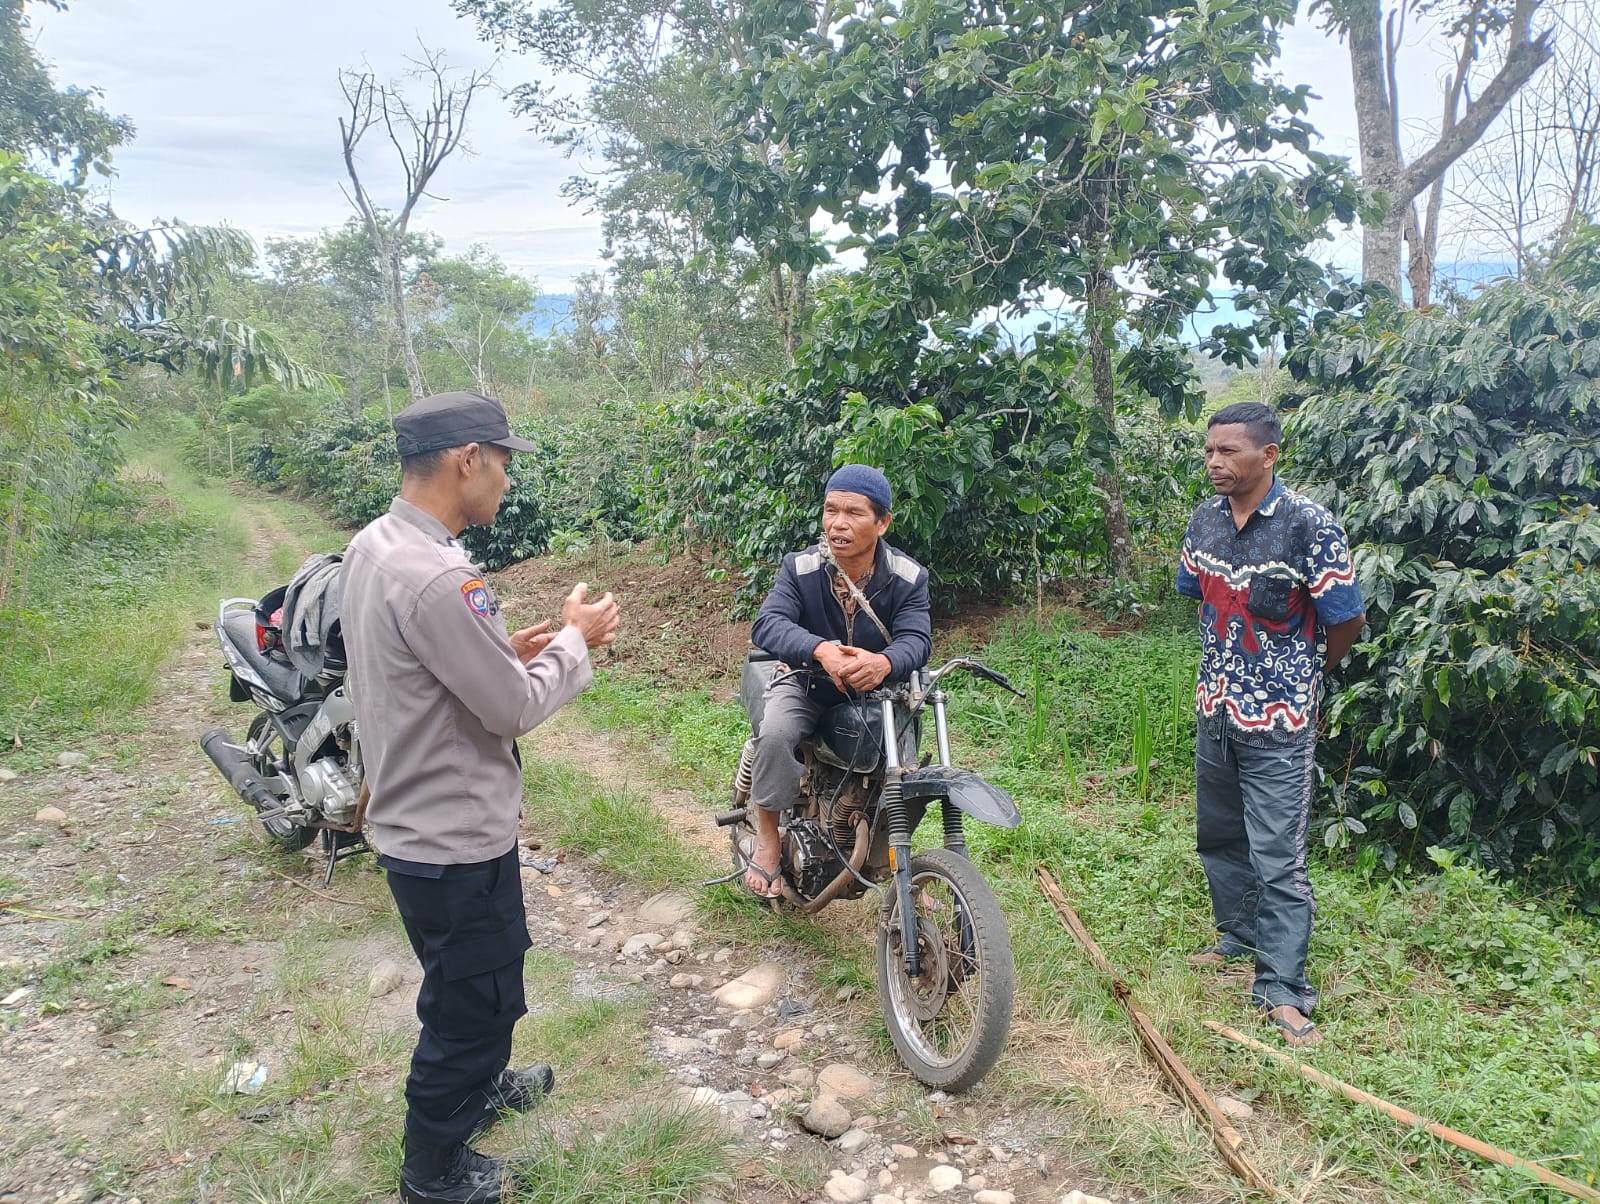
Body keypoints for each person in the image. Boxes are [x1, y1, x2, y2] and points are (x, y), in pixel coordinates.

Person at [339, 391, 619, 1204]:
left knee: (484, 979)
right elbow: (513, 707)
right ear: (468, 460)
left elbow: (425, 669)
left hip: (416, 819)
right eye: (502, 464)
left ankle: (482, 1091)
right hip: (451, 834)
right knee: (469, 1007)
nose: (506, 481)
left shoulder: (377, 545)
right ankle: (432, 1173)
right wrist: (575, 639)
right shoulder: (439, 576)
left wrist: (507, 648)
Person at [1176, 402, 1366, 1049]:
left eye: (1229, 451)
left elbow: (1347, 618)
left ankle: (1282, 987)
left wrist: (1303, 677)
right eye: (1210, 450)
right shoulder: (1204, 520)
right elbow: (1197, 597)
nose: (1214, 461)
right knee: (1219, 835)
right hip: (1215, 710)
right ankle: (1237, 935)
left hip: (1280, 721)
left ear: (1269, 455)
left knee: (1278, 858)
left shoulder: (1309, 525)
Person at [743, 465, 932, 897]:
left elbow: (917, 639)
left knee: (900, 767)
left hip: (877, 693)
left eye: (853, 513)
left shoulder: (908, 577)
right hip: (807, 682)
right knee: (776, 735)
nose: (838, 523)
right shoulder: (801, 567)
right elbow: (768, 623)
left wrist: (884, 662)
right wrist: (819, 650)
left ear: (882, 523)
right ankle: (768, 839)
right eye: (831, 510)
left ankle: (893, 860)